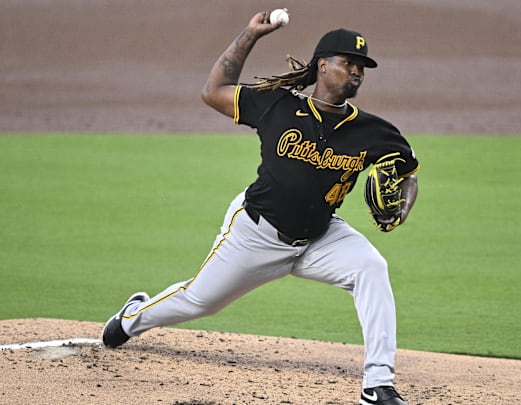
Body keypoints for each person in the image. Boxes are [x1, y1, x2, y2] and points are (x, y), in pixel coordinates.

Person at [101, 11, 419, 405]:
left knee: (372, 267)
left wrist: (403, 205)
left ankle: (378, 386)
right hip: (257, 233)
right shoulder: (276, 106)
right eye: (347, 63)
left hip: (321, 238)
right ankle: (132, 317)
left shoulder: (374, 131)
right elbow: (213, 90)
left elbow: (409, 173)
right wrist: (250, 35)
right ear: (322, 65)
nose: (356, 71)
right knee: (200, 300)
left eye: (362, 67)